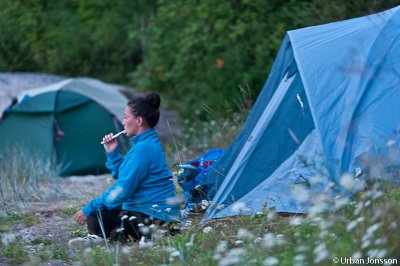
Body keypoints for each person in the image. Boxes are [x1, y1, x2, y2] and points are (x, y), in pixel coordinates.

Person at [68, 92, 180, 249]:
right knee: (103, 211)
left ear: (139, 121)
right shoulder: (145, 144)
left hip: (155, 218)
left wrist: (89, 207)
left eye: (126, 117)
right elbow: (125, 175)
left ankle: (99, 239)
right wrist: (112, 153)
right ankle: (101, 238)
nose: (123, 122)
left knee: (96, 213)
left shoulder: (143, 149)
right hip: (153, 214)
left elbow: (121, 192)